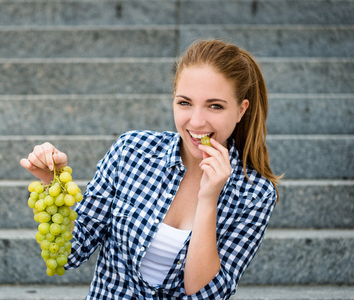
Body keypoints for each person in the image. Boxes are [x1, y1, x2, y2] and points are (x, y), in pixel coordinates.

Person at [20, 39, 282, 299]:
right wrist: (51, 182)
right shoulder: (131, 151)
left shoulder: (255, 193)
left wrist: (209, 198)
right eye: (184, 103)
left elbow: (206, 295)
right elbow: (71, 251)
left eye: (215, 106)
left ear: (240, 110)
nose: (197, 121)